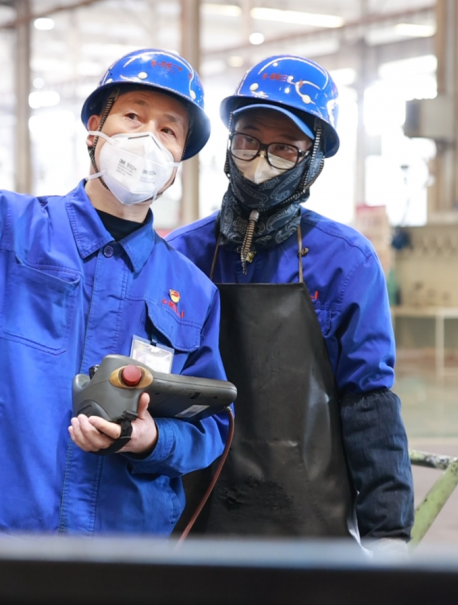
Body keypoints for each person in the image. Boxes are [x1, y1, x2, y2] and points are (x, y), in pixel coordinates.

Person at [0, 49, 231, 536]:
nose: (148, 139)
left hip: (124, 554)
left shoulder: (191, 291)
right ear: (95, 130)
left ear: (177, 164)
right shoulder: (10, 230)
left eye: (168, 131)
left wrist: (153, 439)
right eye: (133, 117)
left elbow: (209, 424)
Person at [166, 55, 414, 554]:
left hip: (307, 522)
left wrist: (387, 532)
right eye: (248, 140)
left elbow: (368, 402)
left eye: (284, 148)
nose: (259, 161)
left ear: (313, 160)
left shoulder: (345, 262)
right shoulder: (180, 254)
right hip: (194, 519)